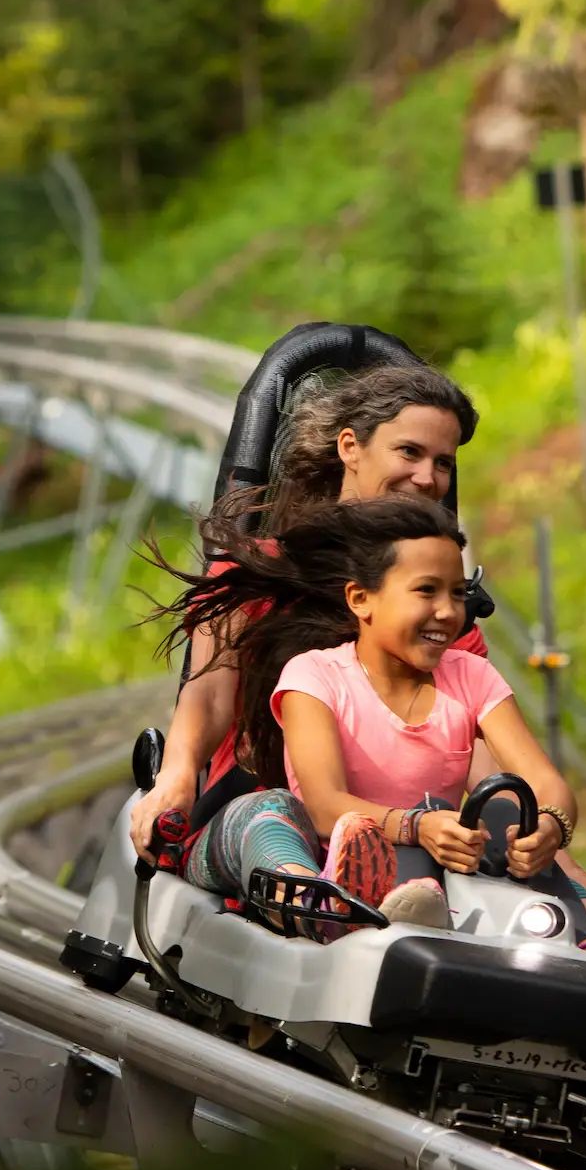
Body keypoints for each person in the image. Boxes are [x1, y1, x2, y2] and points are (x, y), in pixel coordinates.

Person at [150, 495, 586, 966]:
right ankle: (340, 911)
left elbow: (545, 780)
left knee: (504, 811)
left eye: (455, 593)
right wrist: (416, 826)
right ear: (361, 599)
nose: (448, 612)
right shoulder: (315, 675)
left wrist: (551, 826)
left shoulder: (469, 676)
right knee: (274, 811)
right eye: (426, 591)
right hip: (336, 851)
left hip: (429, 870)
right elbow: (323, 803)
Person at [127, 362, 485, 860]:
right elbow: (209, 696)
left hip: (406, 833)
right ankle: (317, 897)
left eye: (443, 463)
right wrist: (177, 776)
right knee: (274, 818)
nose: (427, 478)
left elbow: (487, 751)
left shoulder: (443, 611)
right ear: (350, 448)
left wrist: (545, 850)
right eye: (410, 452)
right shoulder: (257, 569)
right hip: (268, 817)